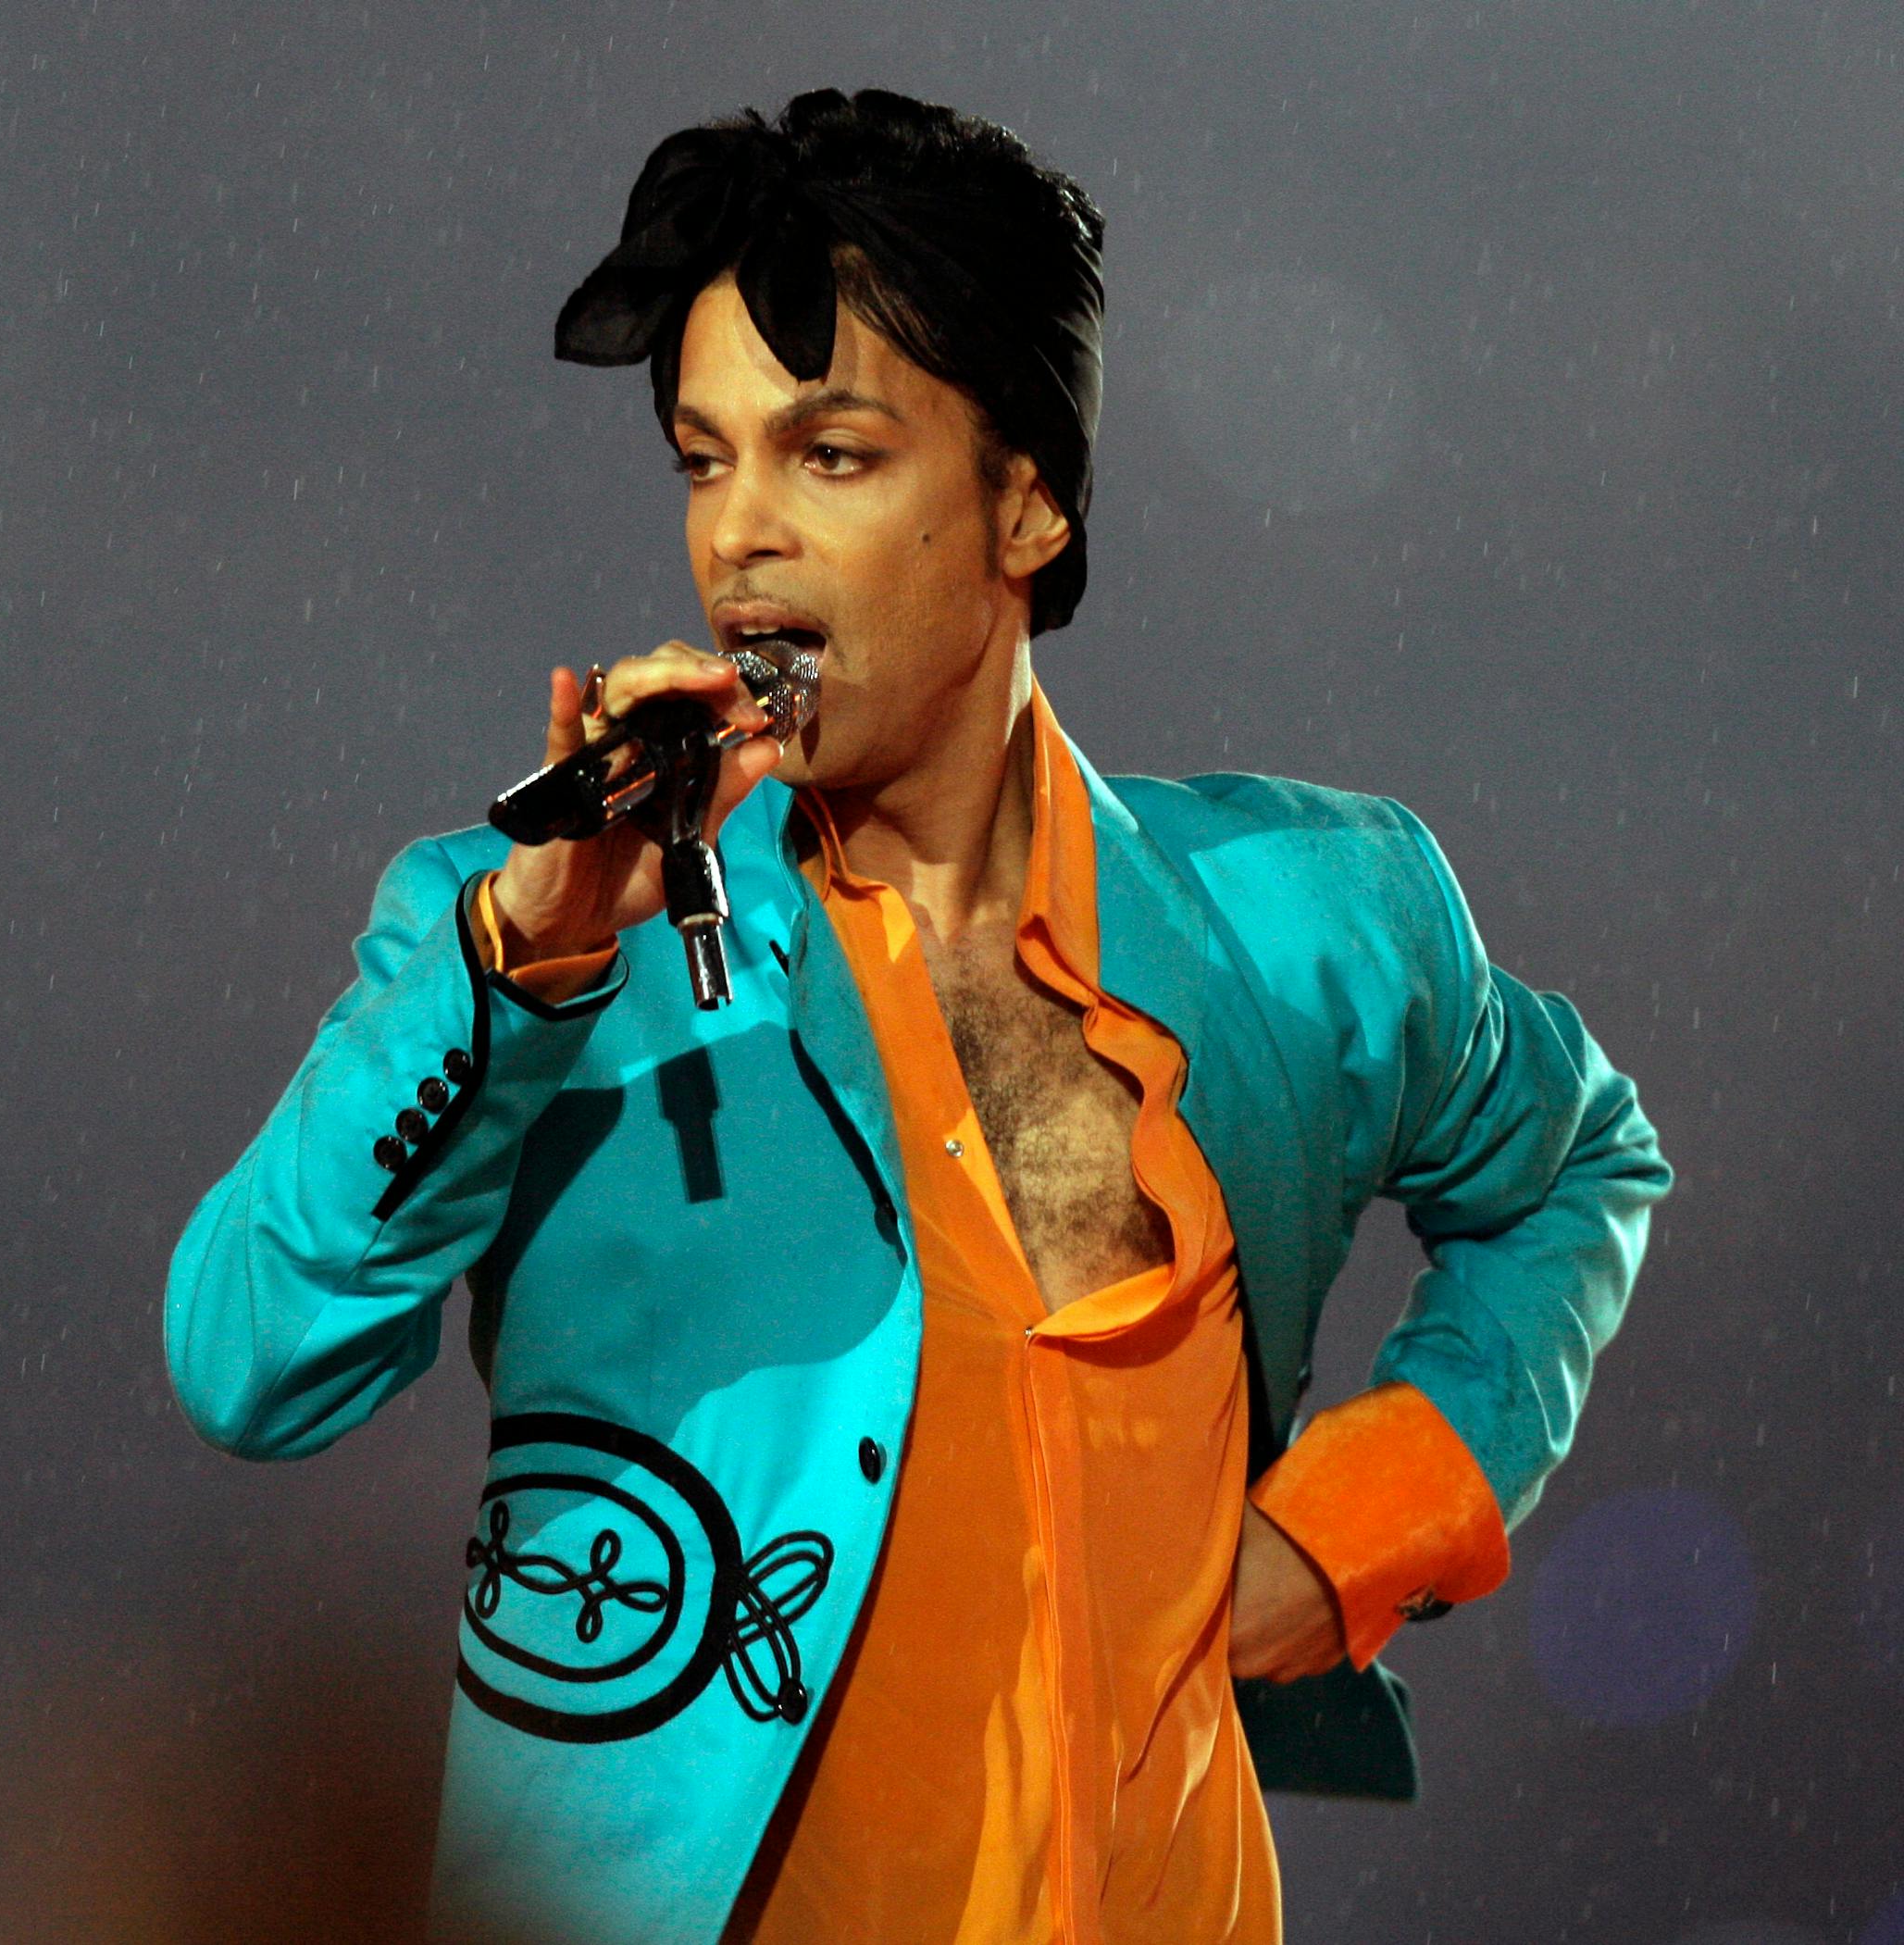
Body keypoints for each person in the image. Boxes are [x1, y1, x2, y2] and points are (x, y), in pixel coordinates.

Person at [164, 86, 1674, 1945]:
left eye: (834, 455)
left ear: (1025, 498)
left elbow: (1580, 1164)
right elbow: (248, 1358)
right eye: (705, 462)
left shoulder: (1307, 923)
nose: (744, 542)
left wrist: (1357, 1524)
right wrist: (529, 952)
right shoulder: (539, 943)